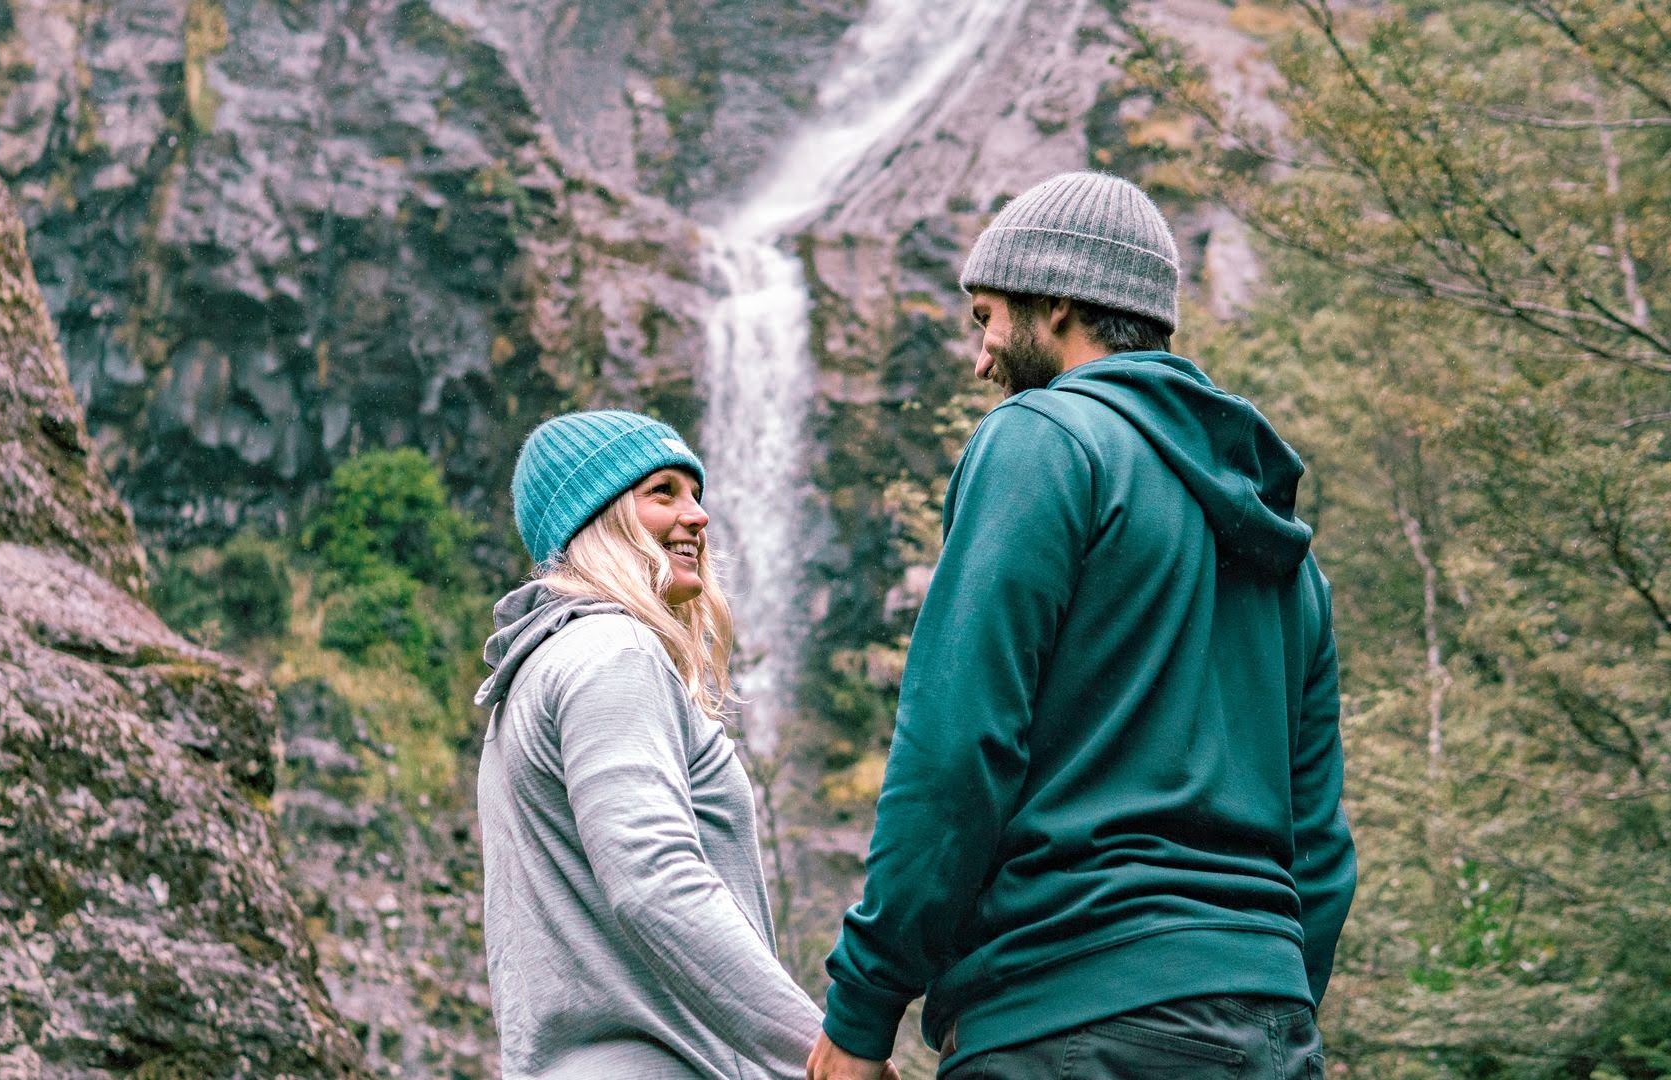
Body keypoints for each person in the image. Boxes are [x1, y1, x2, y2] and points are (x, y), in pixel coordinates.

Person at [807, 172, 1358, 1080]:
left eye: (987, 317)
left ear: (1059, 301)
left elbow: (955, 752)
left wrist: (864, 1007)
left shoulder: (1042, 443)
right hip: (1268, 1031)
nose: (982, 357)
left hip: (1064, 1018)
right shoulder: (1282, 542)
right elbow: (1321, 845)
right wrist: (1260, 986)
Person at [477, 409, 846, 1079]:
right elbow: (655, 882)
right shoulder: (614, 652)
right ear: (597, 518)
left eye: (696, 493)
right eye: (664, 492)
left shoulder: (532, 674)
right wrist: (823, 1057)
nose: (699, 516)